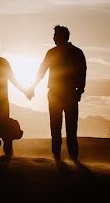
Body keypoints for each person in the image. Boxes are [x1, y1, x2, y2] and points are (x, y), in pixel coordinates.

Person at [29, 25, 87, 163]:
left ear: (62, 37)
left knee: (59, 127)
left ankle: (62, 157)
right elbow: (83, 72)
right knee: (66, 127)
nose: (53, 38)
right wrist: (80, 90)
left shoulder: (62, 52)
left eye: (55, 35)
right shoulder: (75, 52)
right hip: (64, 94)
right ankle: (65, 157)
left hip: (63, 94)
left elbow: (42, 71)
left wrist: (32, 87)